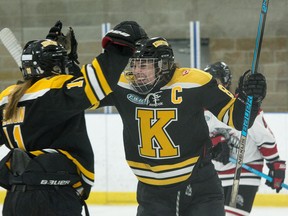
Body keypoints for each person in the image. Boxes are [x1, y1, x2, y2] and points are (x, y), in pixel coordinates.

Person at [97, 37, 267, 216]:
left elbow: (239, 120)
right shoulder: (121, 84)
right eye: (134, 64)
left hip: (199, 186)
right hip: (152, 193)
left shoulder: (194, 82)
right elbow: (79, 97)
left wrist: (250, 99)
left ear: (163, 65)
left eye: (144, 65)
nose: (136, 71)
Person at [0, 20, 147, 216]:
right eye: (62, 63)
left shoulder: (7, 98)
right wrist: (120, 44)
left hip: (15, 199)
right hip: (52, 197)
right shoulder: (52, 92)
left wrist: (54, 53)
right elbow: (95, 84)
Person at [203, 62, 286, 216]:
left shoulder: (242, 108)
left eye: (216, 81)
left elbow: (264, 139)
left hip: (246, 171)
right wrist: (214, 144)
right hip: (215, 175)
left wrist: (274, 163)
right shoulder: (202, 111)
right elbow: (197, 141)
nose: (212, 85)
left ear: (226, 82)